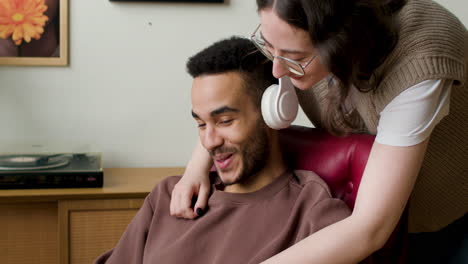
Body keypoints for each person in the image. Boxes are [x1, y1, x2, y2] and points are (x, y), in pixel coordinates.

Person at [170, 0, 468, 263]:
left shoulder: (421, 56)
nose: (275, 70)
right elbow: (234, 97)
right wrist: (196, 166)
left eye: (295, 59)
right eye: (269, 46)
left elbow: (370, 228)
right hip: (358, 216)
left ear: (344, 43)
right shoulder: (288, 20)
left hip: (445, 216)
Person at [94, 37, 351, 264]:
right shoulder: (168, 197)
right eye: (201, 123)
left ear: (272, 114)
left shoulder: (312, 213)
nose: (209, 141)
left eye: (225, 121)